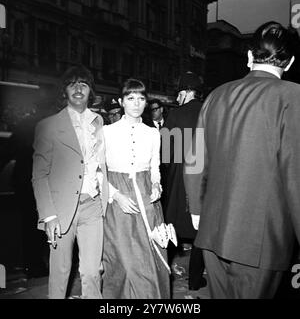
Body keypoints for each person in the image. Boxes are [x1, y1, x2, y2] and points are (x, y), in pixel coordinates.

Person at [184, 22, 300, 299]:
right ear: (291, 61)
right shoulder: (292, 96)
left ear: (249, 57)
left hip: (212, 232)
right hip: (260, 240)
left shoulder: (216, 95)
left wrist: (198, 213)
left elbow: (195, 159)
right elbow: (295, 175)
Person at [32, 65, 109, 299]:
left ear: (91, 91)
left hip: (93, 207)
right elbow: (39, 174)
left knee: (92, 271)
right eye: (72, 83)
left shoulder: (99, 122)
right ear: (64, 91)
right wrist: (49, 215)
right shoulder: (48, 126)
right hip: (61, 210)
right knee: (61, 271)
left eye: (84, 84)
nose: (78, 88)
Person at [102, 78, 171, 299]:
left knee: (148, 259)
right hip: (118, 201)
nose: (136, 103)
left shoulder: (152, 133)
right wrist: (116, 195)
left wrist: (156, 184)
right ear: (122, 101)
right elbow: (96, 171)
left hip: (146, 200)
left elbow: (155, 167)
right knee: (122, 260)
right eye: (131, 98)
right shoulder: (106, 132)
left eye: (141, 98)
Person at [163, 71, 206, 290]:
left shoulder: (175, 115)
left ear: (186, 92)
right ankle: (196, 280)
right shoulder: (209, 111)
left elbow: (166, 154)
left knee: (172, 227)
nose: (177, 97)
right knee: (201, 232)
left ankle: (165, 275)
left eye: (179, 92)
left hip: (178, 181)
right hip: (201, 182)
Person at [0, 107, 48, 278]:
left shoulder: (24, 125)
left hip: (24, 182)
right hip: (41, 182)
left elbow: (5, 153)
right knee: (41, 224)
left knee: (29, 224)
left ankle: (33, 264)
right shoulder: (52, 124)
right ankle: (37, 264)